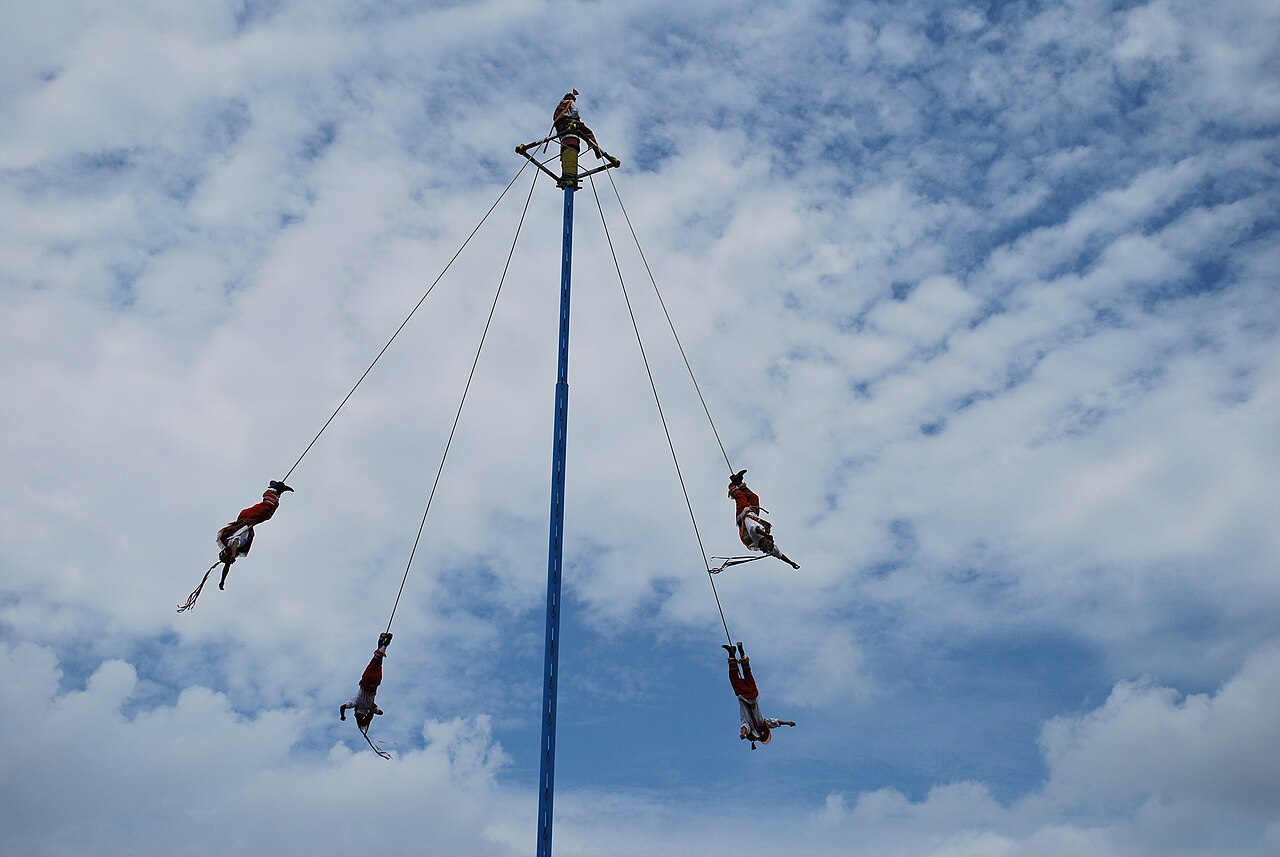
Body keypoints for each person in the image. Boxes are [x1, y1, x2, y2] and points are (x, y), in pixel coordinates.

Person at [214, 480, 294, 590]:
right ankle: (278, 492)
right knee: (268, 513)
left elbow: (235, 543)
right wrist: (222, 581)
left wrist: (232, 555)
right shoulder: (235, 548)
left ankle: (273, 488)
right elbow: (226, 567)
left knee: (266, 509)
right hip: (249, 519)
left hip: (246, 517)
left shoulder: (232, 543)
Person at [722, 642, 795, 749]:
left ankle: (736, 653)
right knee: (735, 677)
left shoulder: (762, 722)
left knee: (747, 674)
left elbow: (775, 722)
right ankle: (735, 654)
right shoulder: (754, 724)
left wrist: (787, 723)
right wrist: (743, 734)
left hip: (754, 695)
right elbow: (745, 728)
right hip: (744, 696)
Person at [728, 470, 800, 568]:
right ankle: (739, 482)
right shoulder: (771, 548)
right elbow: (780, 555)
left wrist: (767, 535)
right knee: (754, 497)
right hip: (753, 514)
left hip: (743, 516)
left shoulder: (756, 537)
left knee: (741, 497)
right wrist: (791, 563)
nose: (766, 542)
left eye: (765, 543)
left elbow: (756, 529)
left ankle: (732, 485)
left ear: (762, 546)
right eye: (768, 542)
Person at [341, 633, 393, 755]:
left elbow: (343, 707)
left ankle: (384, 644)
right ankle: (383, 643)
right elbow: (380, 712)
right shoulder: (365, 705)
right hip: (371, 682)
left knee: (377, 659)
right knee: (377, 659)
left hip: (370, 682)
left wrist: (343, 716)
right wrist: (344, 716)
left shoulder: (360, 704)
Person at [552, 89, 608, 181]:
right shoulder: (570, 102)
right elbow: (575, 112)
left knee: (564, 145)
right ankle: (596, 149)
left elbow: (555, 119)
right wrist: (575, 118)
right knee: (587, 132)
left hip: (560, 128)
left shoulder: (559, 107)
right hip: (570, 123)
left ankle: (564, 163)